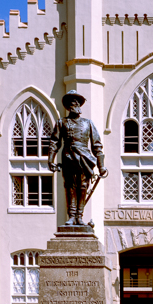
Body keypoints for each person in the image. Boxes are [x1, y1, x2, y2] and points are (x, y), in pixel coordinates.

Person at [47, 90, 108, 226]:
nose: (75, 104)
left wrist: (101, 166)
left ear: (80, 105)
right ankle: (71, 215)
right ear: (68, 106)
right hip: (68, 158)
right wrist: (50, 160)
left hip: (84, 159)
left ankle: (79, 216)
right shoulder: (61, 122)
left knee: (83, 187)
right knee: (70, 187)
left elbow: (97, 146)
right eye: (72, 102)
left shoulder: (88, 123)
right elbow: (54, 142)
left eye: (77, 102)